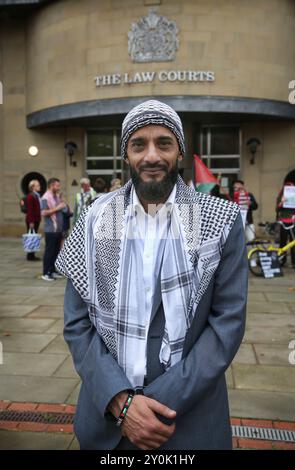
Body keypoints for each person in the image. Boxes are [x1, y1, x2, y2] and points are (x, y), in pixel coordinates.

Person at [56, 100, 248, 450]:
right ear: (126, 155)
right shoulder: (97, 218)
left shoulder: (219, 219)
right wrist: (120, 401)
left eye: (164, 142)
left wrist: (148, 405)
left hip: (186, 422)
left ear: (180, 152)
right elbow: (76, 322)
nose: (151, 156)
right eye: (138, 144)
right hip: (107, 422)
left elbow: (227, 326)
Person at [41, 178, 66, 281]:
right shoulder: (45, 197)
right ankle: (46, 273)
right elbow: (43, 212)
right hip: (50, 229)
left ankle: (52, 270)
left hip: (58, 229)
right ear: (51, 185)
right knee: (49, 252)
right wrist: (58, 207)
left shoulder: (56, 196)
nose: (59, 187)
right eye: (57, 185)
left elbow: (62, 208)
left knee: (55, 251)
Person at [276, 181, 295, 268]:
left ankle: (294, 262)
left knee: (293, 242)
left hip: (293, 221)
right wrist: (281, 202)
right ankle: (282, 260)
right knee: (283, 242)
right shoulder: (281, 196)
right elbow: (277, 209)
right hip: (283, 221)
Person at [25, 179, 41, 261]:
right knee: (31, 237)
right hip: (32, 220)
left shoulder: (36, 195)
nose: (39, 186)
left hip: (36, 219)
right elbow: (30, 210)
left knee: (33, 237)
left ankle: (32, 254)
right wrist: (31, 222)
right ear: (32, 187)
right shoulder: (31, 196)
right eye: (37, 185)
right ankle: (30, 256)